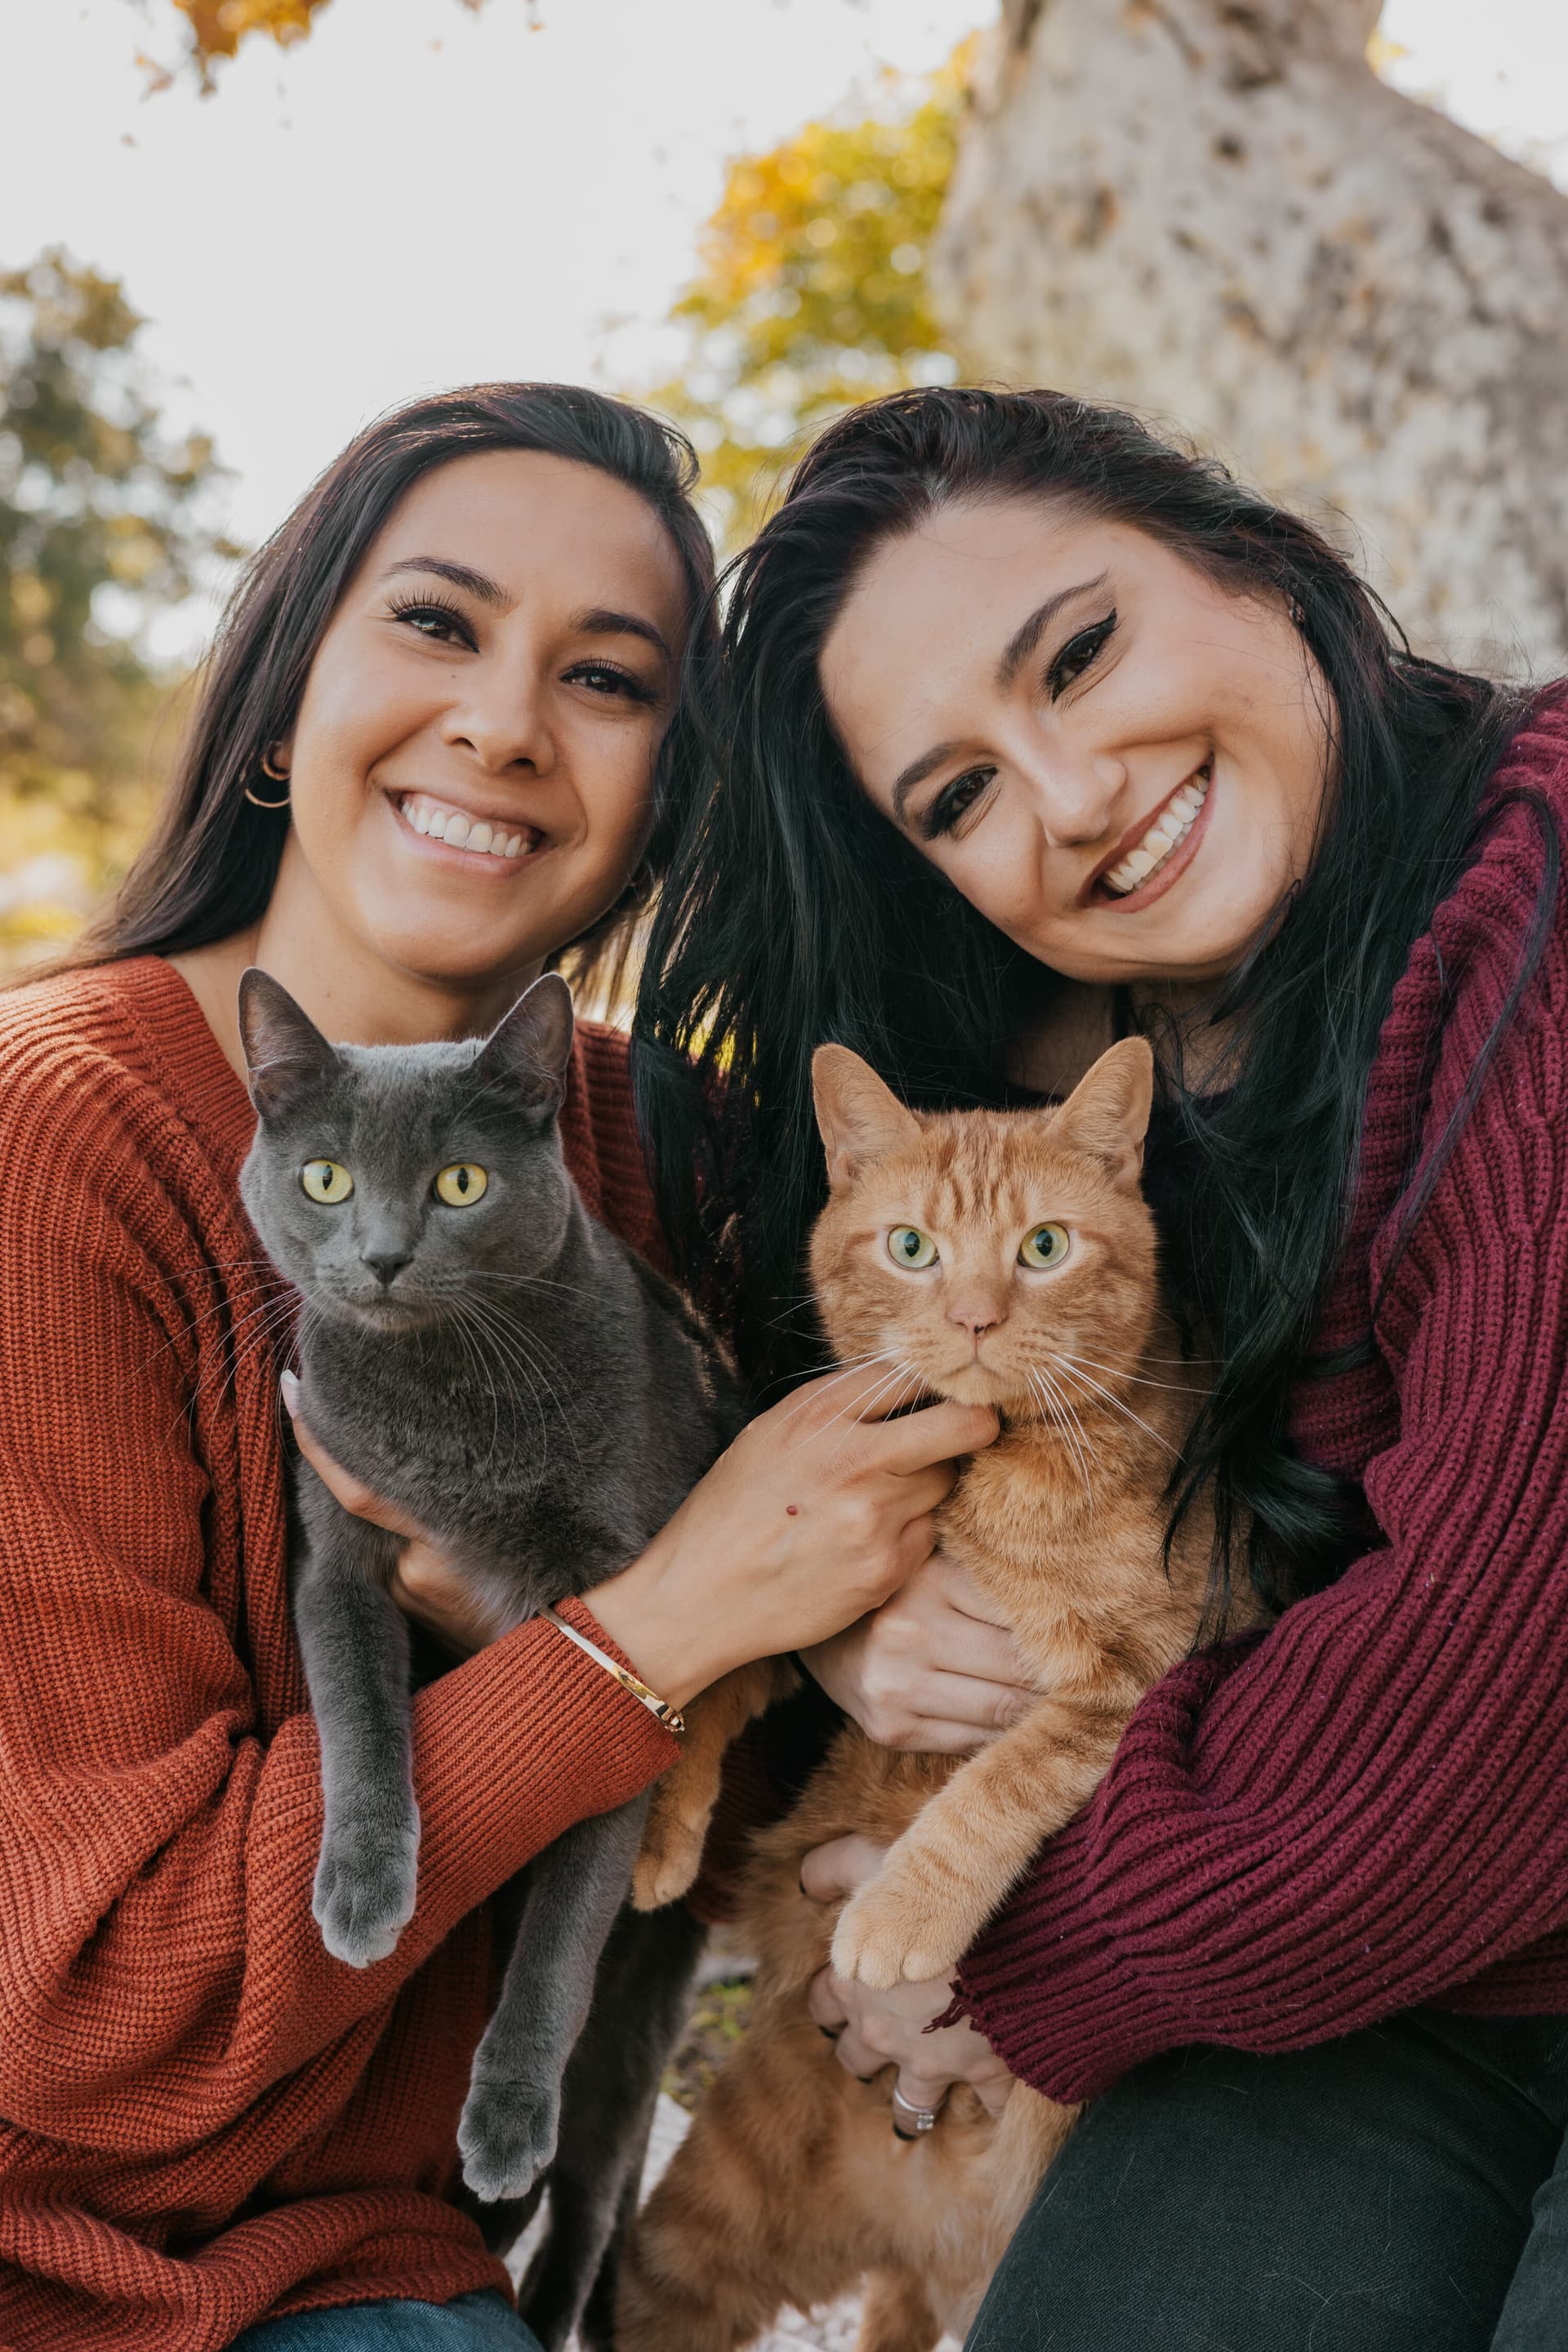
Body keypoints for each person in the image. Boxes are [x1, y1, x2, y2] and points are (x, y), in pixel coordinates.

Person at [0, 382, 996, 2352]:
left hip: (417, 2246)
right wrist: (641, 1636)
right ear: (286, 699)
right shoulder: (64, 1147)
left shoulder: (687, 1155)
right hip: (96, 2264)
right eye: (438, 625)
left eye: (610, 681)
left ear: (660, 794)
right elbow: (89, 2014)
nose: (505, 724)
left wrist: (831, 1643)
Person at [635, 383, 1568, 2350]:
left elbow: (1503, 1691)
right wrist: (843, 1622)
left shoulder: (1538, 909)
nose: (1066, 798)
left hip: (1448, 1859)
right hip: (1438, 1973)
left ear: (1258, 562)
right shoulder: (1175, 1045)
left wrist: (1009, 1947)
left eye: (1081, 654)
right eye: (958, 798)